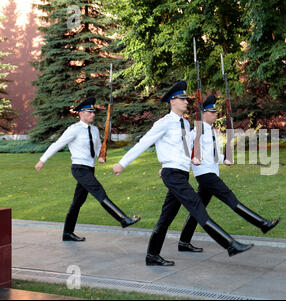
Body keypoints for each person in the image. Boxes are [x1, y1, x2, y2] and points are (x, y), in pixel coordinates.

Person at [112, 81, 253, 266]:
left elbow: (184, 150)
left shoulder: (186, 124)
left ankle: (152, 256)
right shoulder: (164, 123)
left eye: (186, 99)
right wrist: (123, 163)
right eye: (182, 99)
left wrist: (190, 160)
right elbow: (144, 143)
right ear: (172, 101)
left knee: (166, 217)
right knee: (197, 206)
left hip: (180, 172)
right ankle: (229, 244)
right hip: (174, 175)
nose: (187, 102)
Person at [177, 95, 281, 253]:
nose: (216, 114)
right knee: (232, 200)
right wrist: (191, 160)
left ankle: (184, 242)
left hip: (211, 173)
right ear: (204, 113)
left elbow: (212, 154)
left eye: (216, 111)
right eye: (212, 112)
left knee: (197, 210)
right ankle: (262, 224)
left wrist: (224, 160)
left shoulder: (211, 131)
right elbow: (184, 149)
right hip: (205, 175)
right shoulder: (196, 131)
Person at [35, 97, 141, 242]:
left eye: (93, 112)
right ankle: (123, 219)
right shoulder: (74, 130)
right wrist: (42, 160)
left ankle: (67, 233)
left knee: (77, 202)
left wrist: (100, 156)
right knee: (99, 191)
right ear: (81, 113)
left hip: (89, 169)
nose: (93, 115)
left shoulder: (95, 130)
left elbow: (97, 146)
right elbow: (57, 144)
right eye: (89, 112)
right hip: (79, 168)